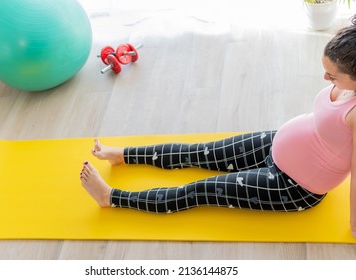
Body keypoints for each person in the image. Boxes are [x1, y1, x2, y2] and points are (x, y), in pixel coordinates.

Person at [80, 17, 356, 237]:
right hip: (276, 145)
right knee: (200, 152)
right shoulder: (347, 80)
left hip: (293, 186)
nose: (324, 77)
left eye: (332, 75)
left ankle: (111, 197)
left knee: (197, 191)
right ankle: (124, 155)